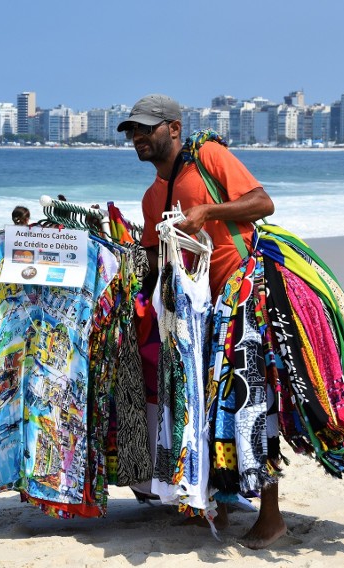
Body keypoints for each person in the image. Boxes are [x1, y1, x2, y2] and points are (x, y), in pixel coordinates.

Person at [118, 94, 281, 549]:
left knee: (251, 402)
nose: (136, 138)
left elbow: (263, 203)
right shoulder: (152, 196)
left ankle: (272, 515)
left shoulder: (208, 156)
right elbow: (153, 260)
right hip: (194, 311)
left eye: (145, 129)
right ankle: (218, 502)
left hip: (240, 291)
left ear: (173, 127)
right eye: (131, 131)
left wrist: (207, 212)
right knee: (206, 407)